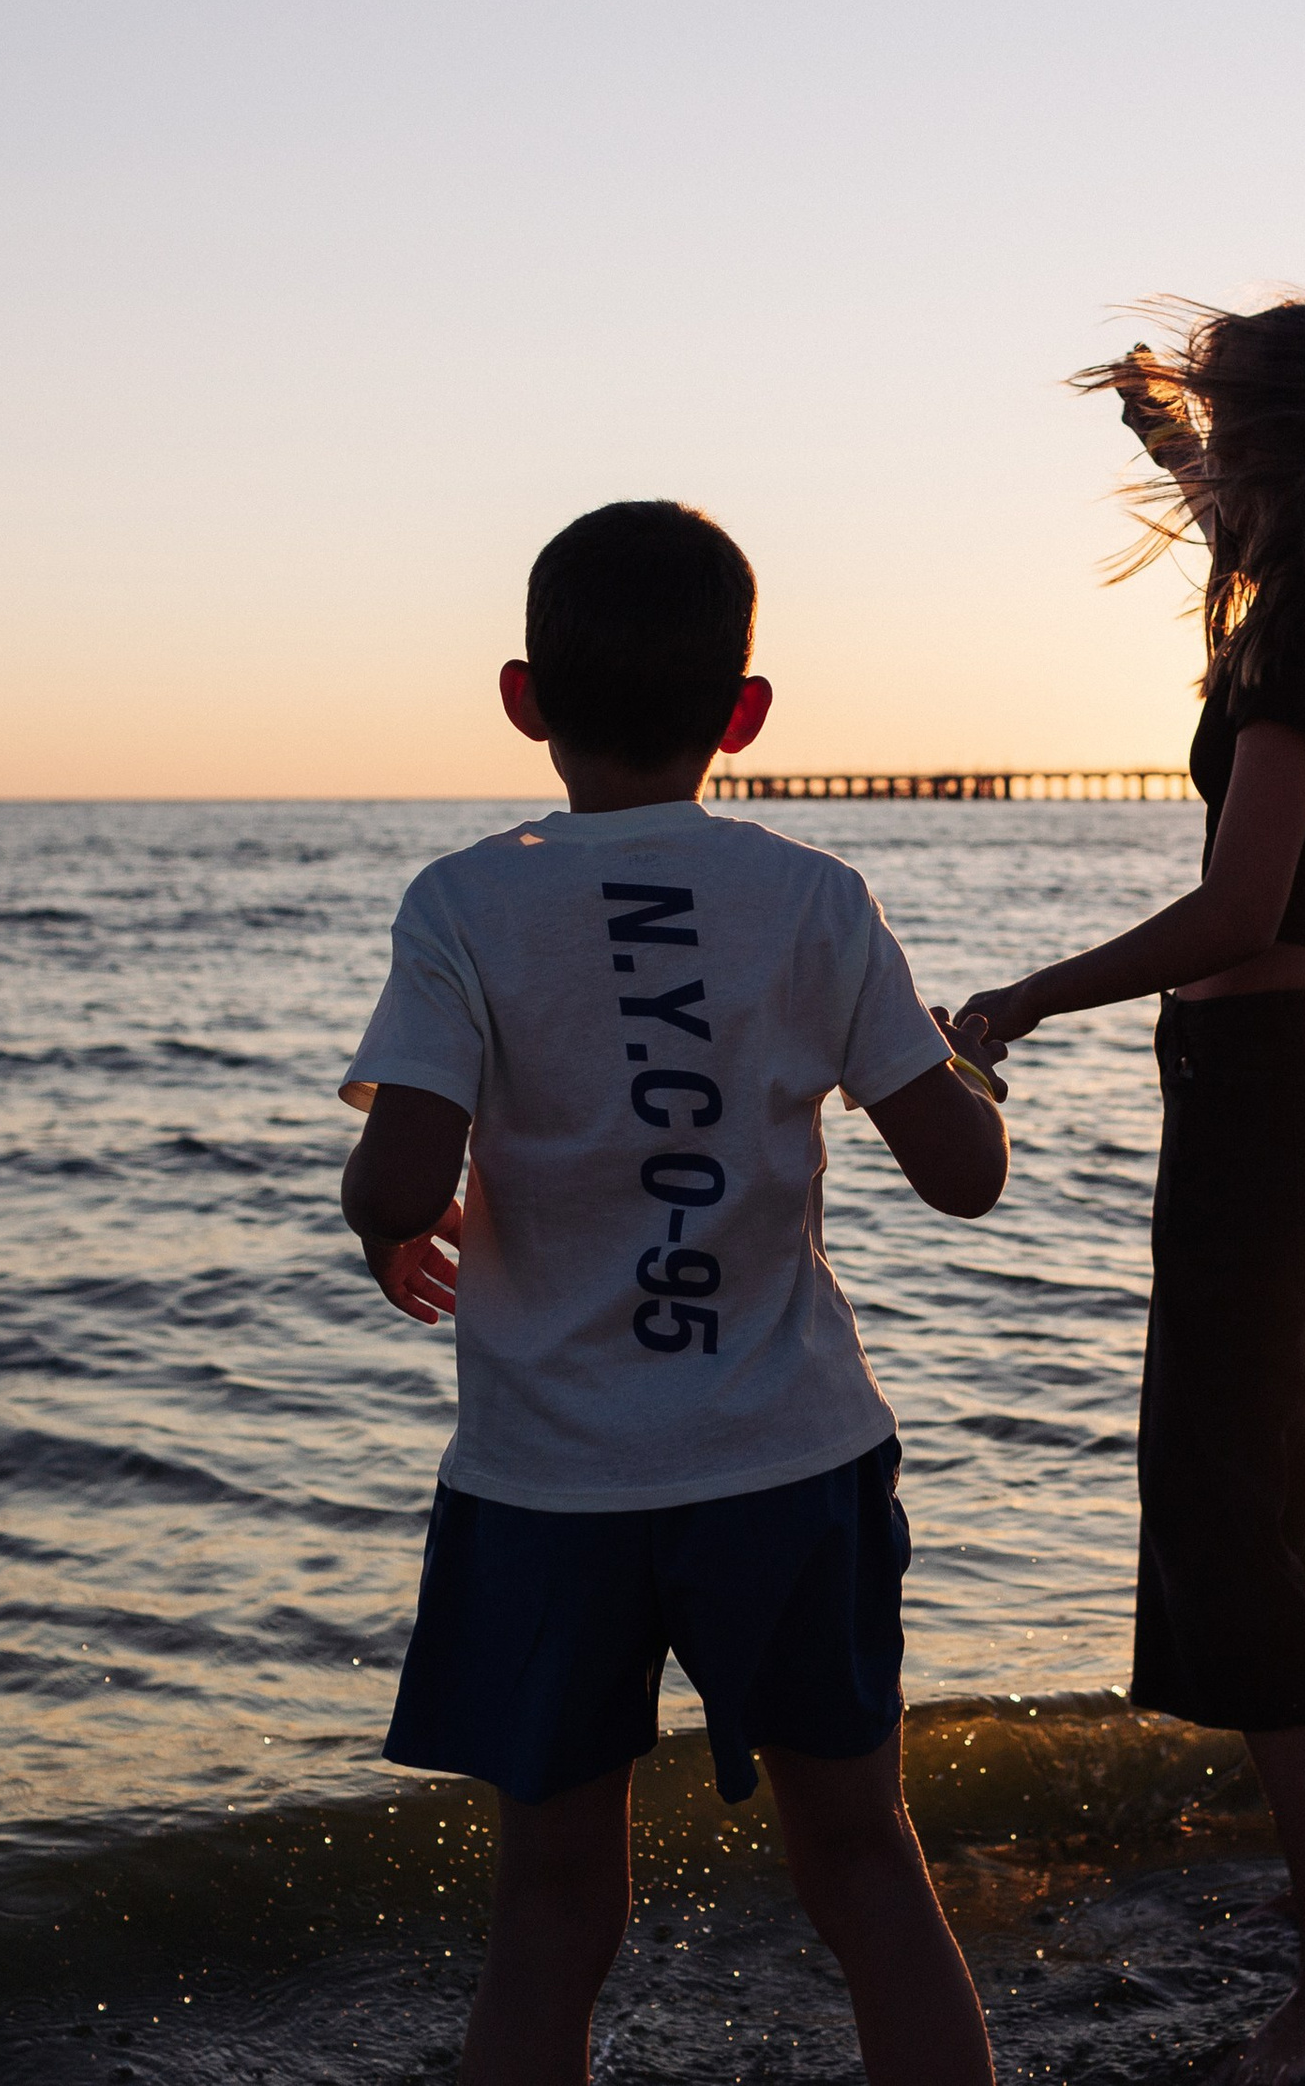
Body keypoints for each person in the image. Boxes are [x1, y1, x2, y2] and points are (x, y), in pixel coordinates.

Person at [339, 498, 1006, 2086]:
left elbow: (395, 1185)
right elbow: (962, 1173)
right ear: (745, 717)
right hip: (787, 1468)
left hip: (550, 1487)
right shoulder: (815, 896)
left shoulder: (462, 904)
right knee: (863, 1865)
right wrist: (961, 1068)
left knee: (552, 1907)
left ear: (523, 698)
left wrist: (390, 1225)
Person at [956, 298, 1305, 2085]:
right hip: (1301, 1086)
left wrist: (1025, 996)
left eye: (1232, 422)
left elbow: (1241, 915)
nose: (1207, 457)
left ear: (1291, 438)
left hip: (1273, 1089)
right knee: (1287, 1499)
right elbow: (1228, 482)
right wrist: (1158, 411)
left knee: (1240, 1509)